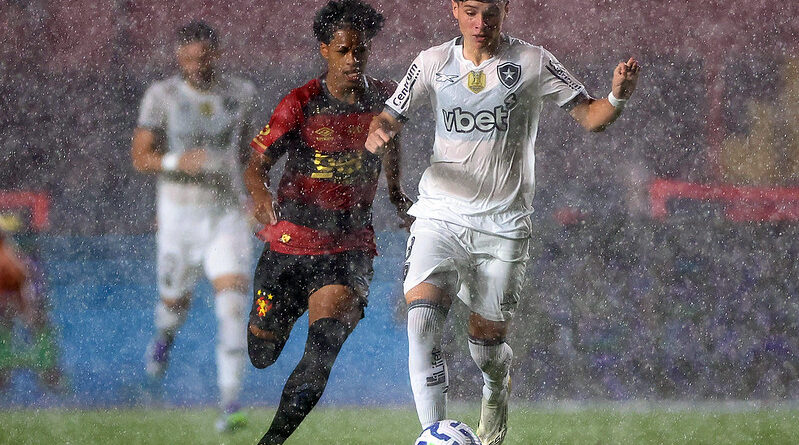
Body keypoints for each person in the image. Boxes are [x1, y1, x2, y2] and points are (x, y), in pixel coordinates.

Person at [365, 1, 641, 443]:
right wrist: (379, 130)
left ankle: (496, 385)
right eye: (471, 11)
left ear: (506, 9)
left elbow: (592, 117)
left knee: (486, 346)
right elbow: (388, 116)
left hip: (503, 225)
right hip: (440, 214)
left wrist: (617, 97)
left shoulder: (532, 61)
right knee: (422, 325)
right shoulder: (432, 62)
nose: (481, 23)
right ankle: (434, 436)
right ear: (455, 8)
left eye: (491, 12)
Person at [244, 1, 411, 443]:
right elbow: (256, 164)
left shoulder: (385, 99)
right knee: (261, 352)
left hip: (347, 247)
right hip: (291, 241)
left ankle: (271, 442)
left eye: (361, 50)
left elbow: (392, 141)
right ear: (324, 50)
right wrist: (260, 195)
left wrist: (396, 193)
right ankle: (289, 306)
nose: (354, 59)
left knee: (320, 357)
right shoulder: (299, 103)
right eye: (343, 51)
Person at [131, 20, 255, 432]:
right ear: (178, 58)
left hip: (225, 214)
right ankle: (164, 338)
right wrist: (175, 161)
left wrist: (255, 195)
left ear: (216, 55)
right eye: (188, 59)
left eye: (203, 58)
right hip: (179, 217)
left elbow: (246, 153)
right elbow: (140, 156)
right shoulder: (162, 96)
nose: (196, 66)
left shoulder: (241, 94)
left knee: (233, 306)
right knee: (174, 305)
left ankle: (230, 403)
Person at [0, 226, 63, 392]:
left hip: (23, 301)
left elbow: (26, 288)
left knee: (38, 323)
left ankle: (49, 373)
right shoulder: (13, 261)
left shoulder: (19, 263)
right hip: (18, 303)